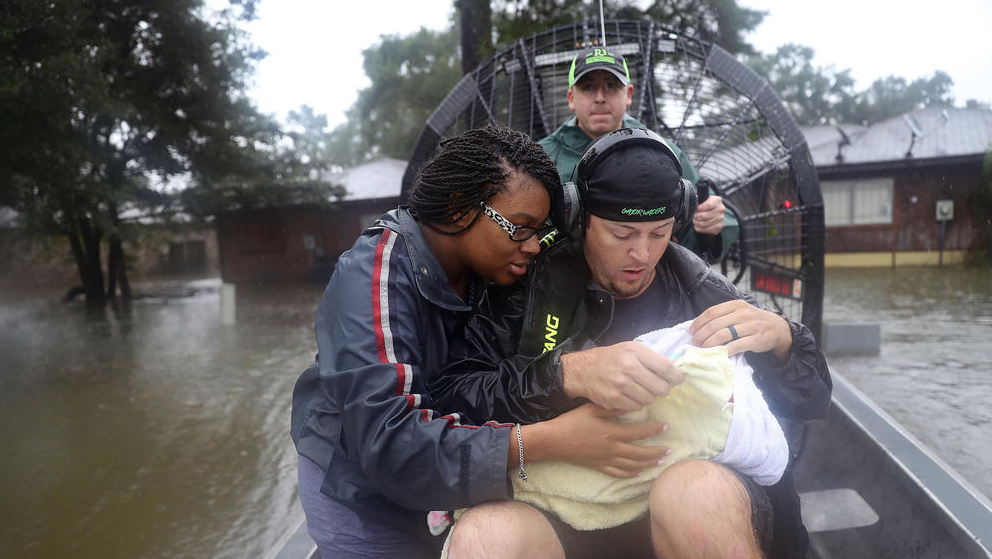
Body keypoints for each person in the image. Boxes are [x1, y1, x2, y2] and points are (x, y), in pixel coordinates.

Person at [430, 128, 831, 559]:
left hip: (675, 509)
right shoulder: (527, 288)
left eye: (658, 233)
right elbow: (453, 396)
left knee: (697, 493)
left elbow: (811, 402)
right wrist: (564, 375)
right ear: (579, 218)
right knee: (486, 535)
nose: (641, 254)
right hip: (563, 517)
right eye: (622, 235)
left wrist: (787, 342)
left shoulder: (705, 291)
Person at [289, 124, 672, 559]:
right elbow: (389, 442)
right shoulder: (374, 275)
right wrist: (552, 439)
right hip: (363, 495)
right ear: (459, 208)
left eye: (541, 231)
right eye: (521, 228)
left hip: (448, 481)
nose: (534, 247)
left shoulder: (485, 268)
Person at [539, 45, 738, 263]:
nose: (600, 97)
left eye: (611, 85)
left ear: (629, 95)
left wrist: (710, 223)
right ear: (571, 98)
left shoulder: (664, 153)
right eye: (587, 87)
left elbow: (703, 225)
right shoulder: (543, 158)